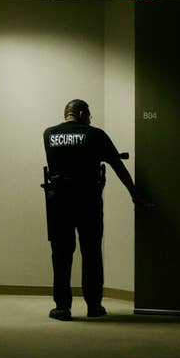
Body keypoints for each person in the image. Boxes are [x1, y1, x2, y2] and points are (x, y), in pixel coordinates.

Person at [42, 99, 141, 321]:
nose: (90, 120)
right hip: (88, 199)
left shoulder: (49, 134)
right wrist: (134, 193)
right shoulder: (95, 134)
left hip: (58, 202)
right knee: (91, 252)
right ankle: (94, 306)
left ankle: (62, 308)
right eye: (89, 116)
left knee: (61, 254)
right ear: (82, 113)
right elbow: (117, 165)